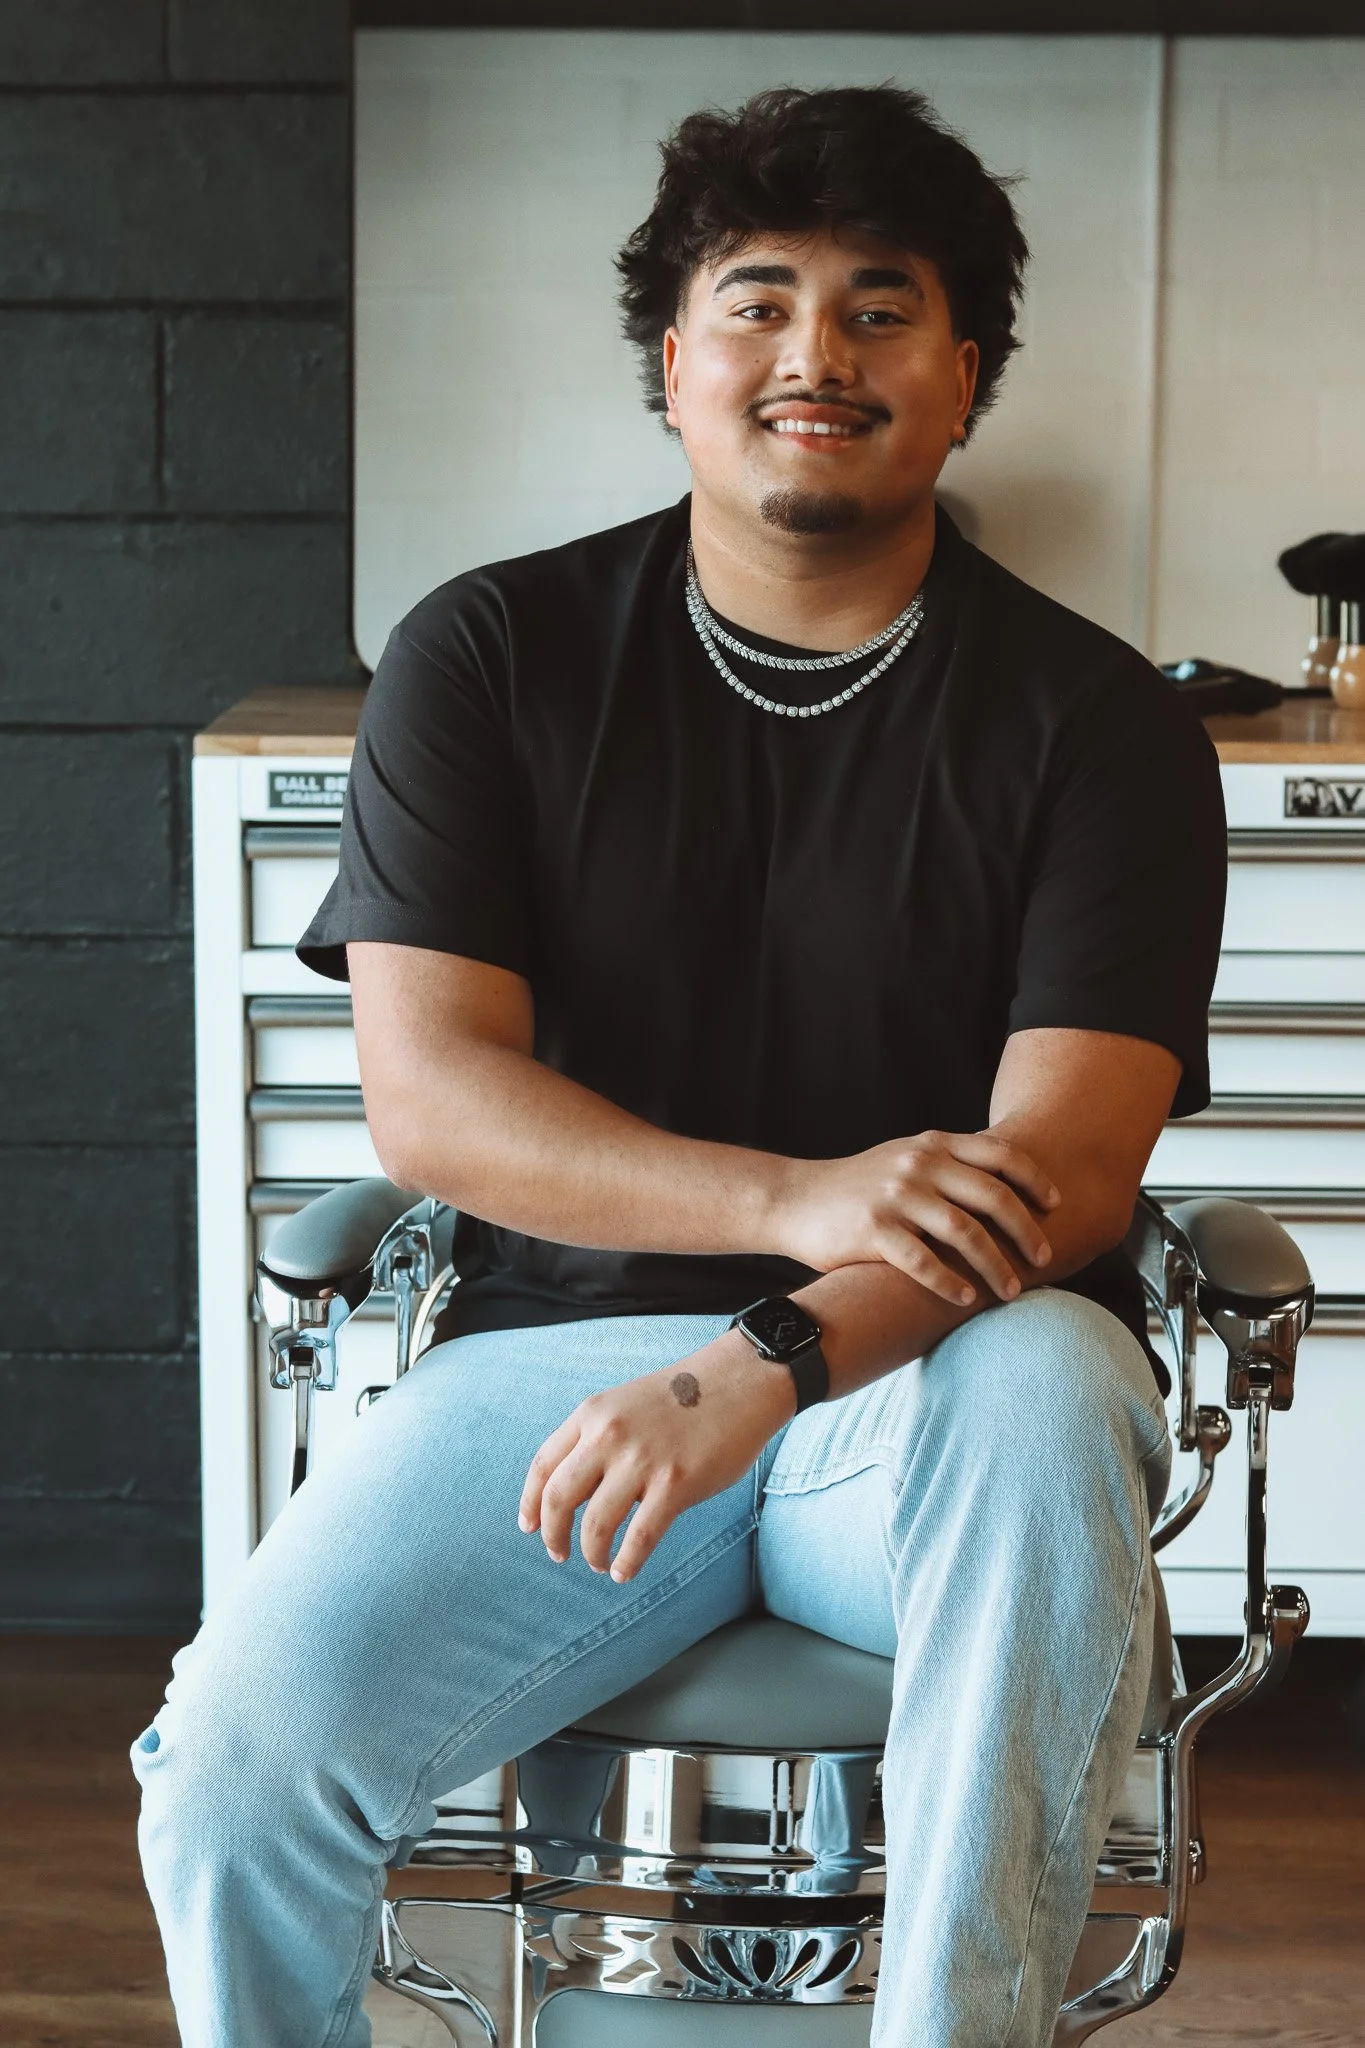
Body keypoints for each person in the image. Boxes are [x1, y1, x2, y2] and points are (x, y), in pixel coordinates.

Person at [133, 83, 1226, 2047]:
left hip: (934, 1391)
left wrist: (767, 1357)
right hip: (565, 1377)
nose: (817, 354)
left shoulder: (1098, 727)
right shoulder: (489, 657)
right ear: (670, 361)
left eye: (881, 310)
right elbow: (435, 1104)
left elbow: (1063, 1176)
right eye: (758, 301)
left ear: (965, 379)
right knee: (229, 1773)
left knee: (1063, 1372)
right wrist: (797, 1202)